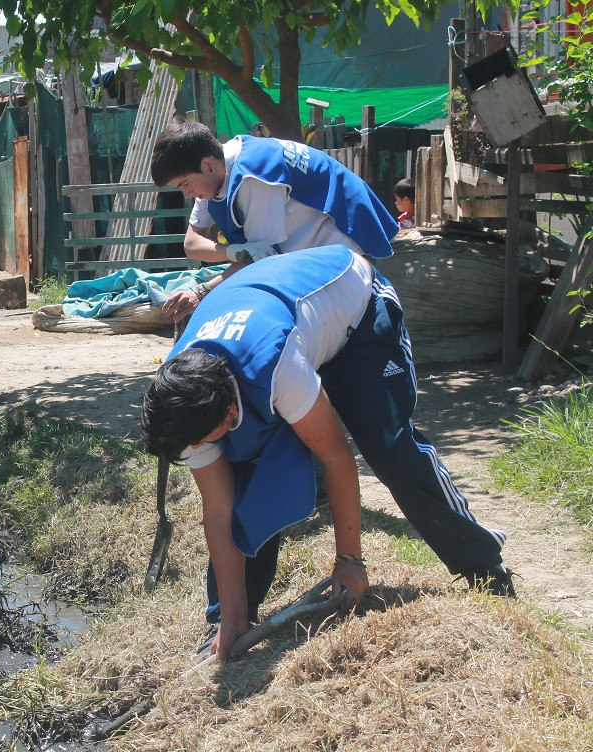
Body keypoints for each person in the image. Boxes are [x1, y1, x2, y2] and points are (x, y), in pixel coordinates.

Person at [141, 246, 513, 663]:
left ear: (230, 410)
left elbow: (337, 457)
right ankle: (230, 619)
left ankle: (484, 566)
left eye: (203, 440)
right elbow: (219, 509)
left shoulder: (276, 366)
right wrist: (232, 614)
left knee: (387, 445)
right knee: (243, 468)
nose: (199, 449)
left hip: (355, 306)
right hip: (278, 314)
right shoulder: (181, 392)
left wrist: (349, 561)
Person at [150, 119, 400, 322]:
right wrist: (236, 252)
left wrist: (201, 292)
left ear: (207, 165)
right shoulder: (214, 170)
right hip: (303, 249)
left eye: (185, 184)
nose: (186, 194)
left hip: (342, 241)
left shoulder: (253, 178)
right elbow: (192, 245)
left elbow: (262, 259)